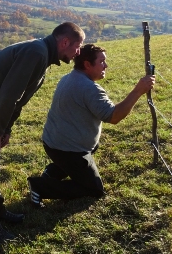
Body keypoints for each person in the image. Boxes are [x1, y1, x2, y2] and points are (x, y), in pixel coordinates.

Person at [0, 22, 85, 243]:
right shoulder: (36, 53)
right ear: (64, 42)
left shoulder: (43, 55)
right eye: (77, 46)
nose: (78, 53)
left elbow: (16, 100)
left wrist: (5, 129)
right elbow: (9, 96)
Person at [28, 44, 155, 207]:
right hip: (68, 150)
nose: (106, 66)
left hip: (53, 142)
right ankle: (40, 187)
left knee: (90, 150)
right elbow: (114, 116)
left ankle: (53, 172)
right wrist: (138, 91)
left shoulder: (69, 77)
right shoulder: (88, 88)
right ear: (87, 64)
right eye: (102, 61)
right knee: (94, 189)